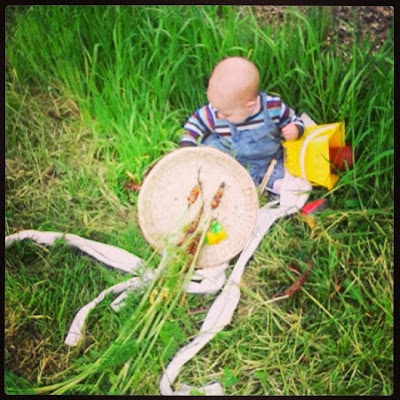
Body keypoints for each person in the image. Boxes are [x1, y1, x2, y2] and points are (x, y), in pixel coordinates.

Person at [178, 56, 304, 195]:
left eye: (226, 114)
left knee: (285, 181)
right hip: (227, 157)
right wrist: (186, 145)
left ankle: (278, 189)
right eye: (215, 108)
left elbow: (294, 119)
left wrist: (296, 129)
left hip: (264, 162)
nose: (219, 115)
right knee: (207, 167)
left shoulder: (273, 108)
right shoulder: (218, 109)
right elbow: (195, 123)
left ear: (250, 106)